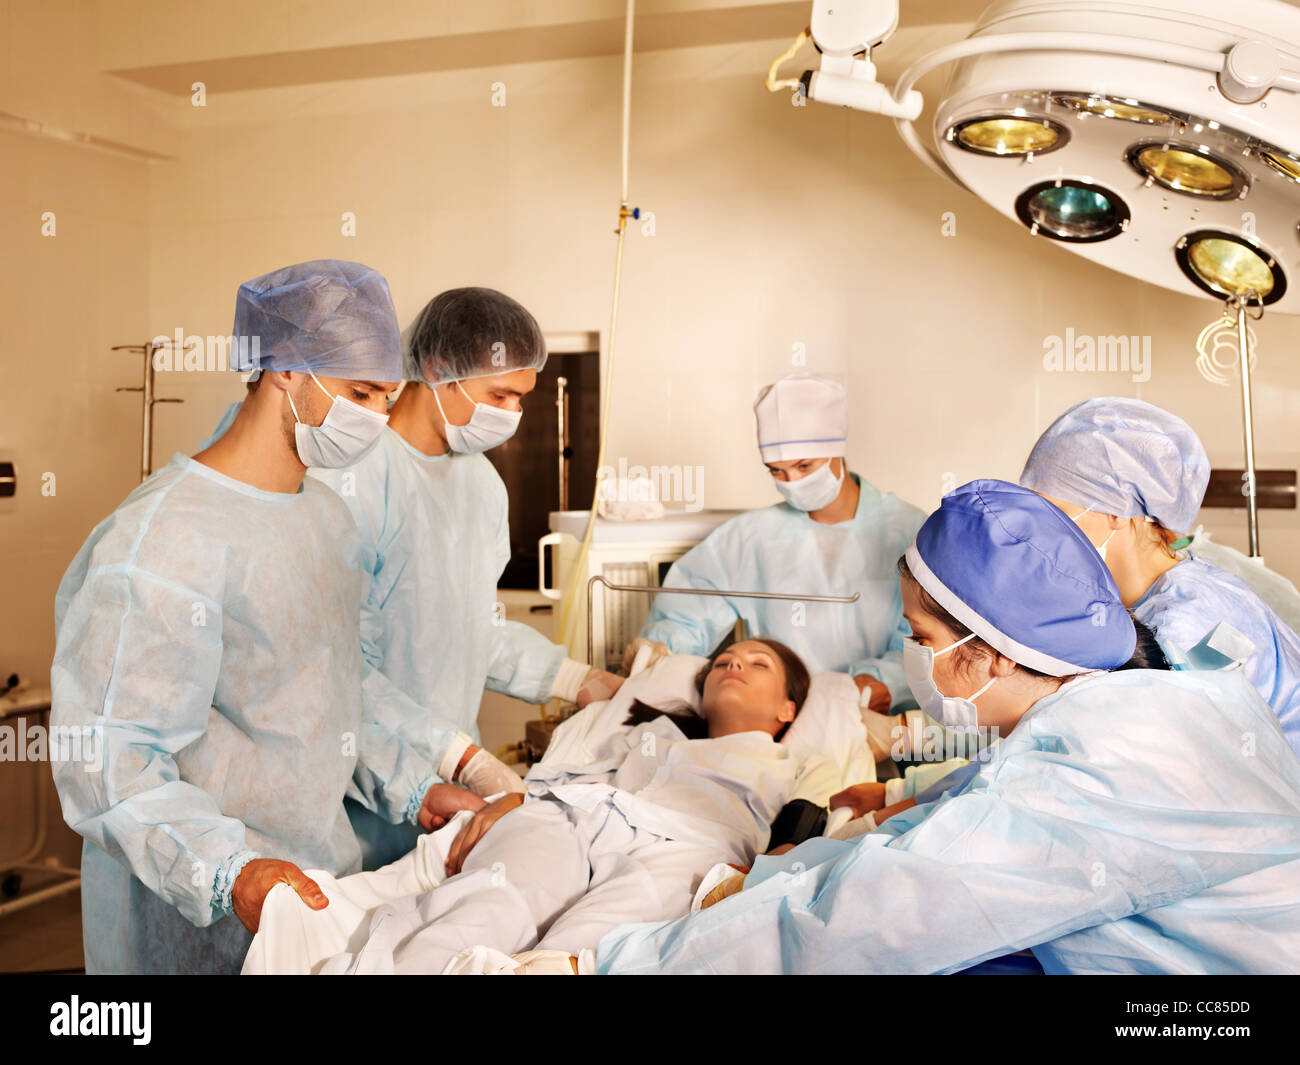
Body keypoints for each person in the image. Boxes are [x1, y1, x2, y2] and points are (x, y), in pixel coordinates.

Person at [594, 480, 1300, 974]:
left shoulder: (1096, 761)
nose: (908, 652)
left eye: (918, 632)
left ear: (990, 652)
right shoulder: (1123, 698)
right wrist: (768, 878)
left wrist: (612, 964)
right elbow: (950, 820)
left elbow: (876, 915)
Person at [50, 260, 458, 974]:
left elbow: (328, 703)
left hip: (318, 893)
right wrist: (228, 872)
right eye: (360, 393)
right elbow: (108, 759)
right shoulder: (161, 541)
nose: (376, 420)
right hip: (194, 920)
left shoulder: (326, 519)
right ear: (283, 371)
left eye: (386, 398)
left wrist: (418, 786)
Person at [200, 287, 625, 868]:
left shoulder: (481, 486)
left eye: (522, 399)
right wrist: (454, 755)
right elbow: (331, 664)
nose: (513, 415)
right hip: (348, 787)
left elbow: (470, 627)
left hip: (441, 784)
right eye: (499, 394)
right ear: (437, 369)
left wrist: (578, 679)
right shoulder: (348, 479)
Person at [246, 640, 839, 974]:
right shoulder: (645, 733)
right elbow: (563, 777)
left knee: (585, 949)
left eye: (758, 664)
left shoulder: (799, 762)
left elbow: (805, 838)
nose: (734, 665)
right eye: (725, 661)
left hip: (693, 848)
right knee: (488, 901)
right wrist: (513, 801)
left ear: (788, 709)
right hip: (582, 813)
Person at [626, 374, 925, 714]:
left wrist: (885, 682)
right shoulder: (751, 537)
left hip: (881, 724)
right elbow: (690, 611)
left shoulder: (911, 531)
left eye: (804, 466)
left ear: (836, 452)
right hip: (783, 722)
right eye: (776, 471)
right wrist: (661, 646)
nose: (792, 482)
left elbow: (929, 639)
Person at [1020, 396, 1300, 755]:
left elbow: (1147, 772)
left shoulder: (1183, 627)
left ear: (1116, 510)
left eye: (1054, 512)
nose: (1039, 534)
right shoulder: (1177, 586)